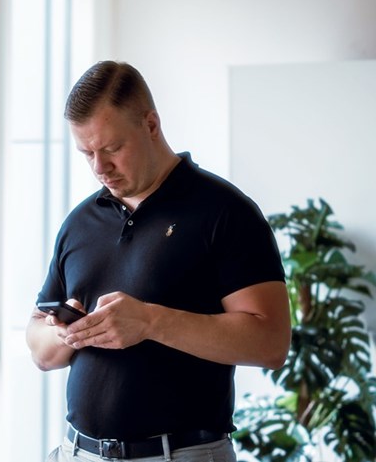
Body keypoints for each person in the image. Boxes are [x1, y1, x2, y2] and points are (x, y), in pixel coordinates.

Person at [26, 60, 291, 462]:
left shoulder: (225, 211)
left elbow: (271, 343)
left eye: (112, 149)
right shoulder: (80, 222)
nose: (99, 167)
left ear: (151, 125)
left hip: (180, 454)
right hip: (76, 451)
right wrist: (64, 335)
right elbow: (39, 346)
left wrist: (150, 321)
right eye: (87, 153)